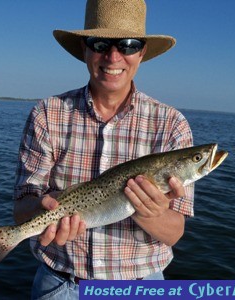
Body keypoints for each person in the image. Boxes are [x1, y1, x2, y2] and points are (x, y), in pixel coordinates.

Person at [13, 0, 194, 298]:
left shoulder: (172, 124)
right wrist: (42, 210)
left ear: (142, 51)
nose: (113, 56)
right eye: (100, 43)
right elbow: (21, 209)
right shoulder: (47, 114)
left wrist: (150, 213)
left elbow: (174, 232)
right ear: (85, 48)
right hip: (61, 285)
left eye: (128, 44)